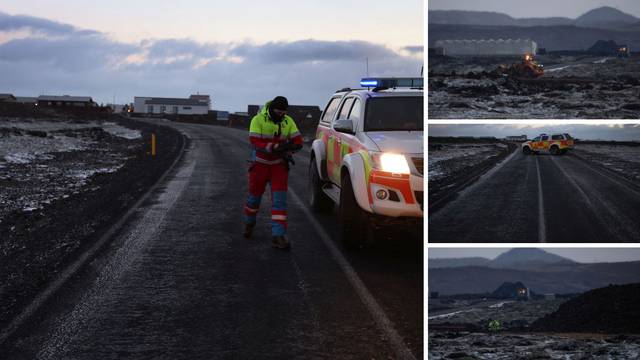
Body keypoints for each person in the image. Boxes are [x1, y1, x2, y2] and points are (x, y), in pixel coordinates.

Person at [243, 96, 303, 250]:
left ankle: (278, 236)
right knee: (253, 200)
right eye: (279, 112)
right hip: (260, 165)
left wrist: (290, 148)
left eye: (284, 112)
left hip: (278, 166)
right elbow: (255, 141)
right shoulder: (258, 120)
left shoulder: (288, 121)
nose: (281, 115)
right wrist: (275, 147)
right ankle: (249, 223)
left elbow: (298, 141)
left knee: (279, 201)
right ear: (272, 109)